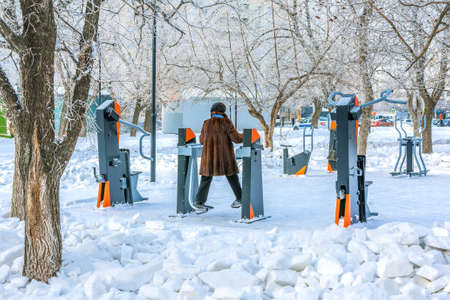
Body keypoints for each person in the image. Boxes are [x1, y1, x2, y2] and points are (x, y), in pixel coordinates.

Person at [194, 102, 244, 211]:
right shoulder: (226, 122)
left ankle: (199, 202)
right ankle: (240, 198)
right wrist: (247, 136)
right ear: (223, 111)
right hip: (225, 157)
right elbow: (236, 138)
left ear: (212, 111)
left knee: (206, 178)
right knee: (232, 176)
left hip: (209, 157)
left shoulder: (206, 123)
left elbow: (202, 140)